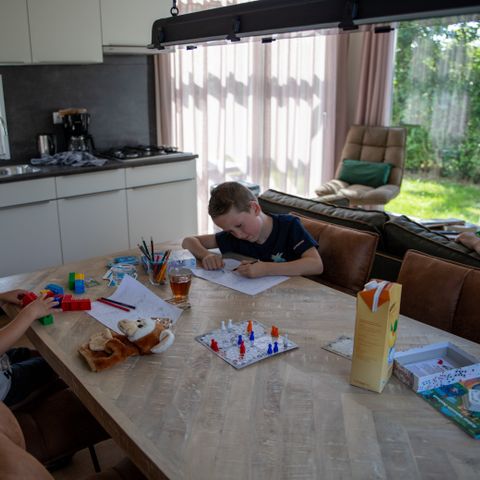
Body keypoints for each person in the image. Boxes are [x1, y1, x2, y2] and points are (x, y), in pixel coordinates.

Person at [182, 181, 324, 278]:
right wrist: (206, 255)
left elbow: (316, 265)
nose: (238, 235)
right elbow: (188, 241)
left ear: (255, 208)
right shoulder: (234, 235)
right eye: (230, 231)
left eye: (239, 226)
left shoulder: (289, 226)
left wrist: (266, 269)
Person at [0, 290, 58, 407]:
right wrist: (31, 312)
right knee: (52, 365)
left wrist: (1, 297)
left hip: (2, 359)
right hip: (5, 387)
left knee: (27, 353)